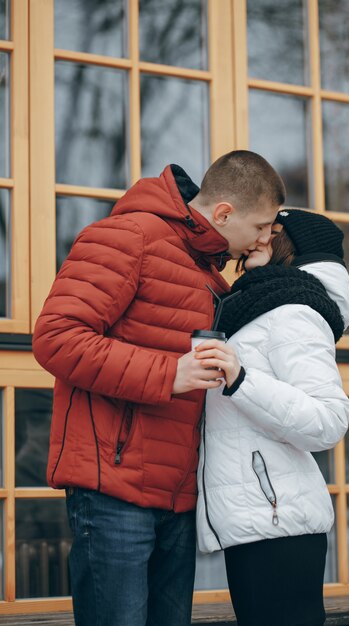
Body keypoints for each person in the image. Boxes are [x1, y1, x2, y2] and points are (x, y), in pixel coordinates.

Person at [31, 150, 285, 626]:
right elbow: (56, 337)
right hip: (114, 490)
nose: (265, 238)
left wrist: (261, 273)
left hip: (179, 496)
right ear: (225, 214)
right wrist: (170, 374)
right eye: (262, 227)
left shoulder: (208, 271)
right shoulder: (129, 236)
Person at [195, 209, 349, 626]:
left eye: (272, 232)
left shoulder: (294, 312)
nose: (258, 238)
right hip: (259, 519)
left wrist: (242, 379)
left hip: (279, 525)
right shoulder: (261, 304)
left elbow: (329, 419)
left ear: (292, 248)